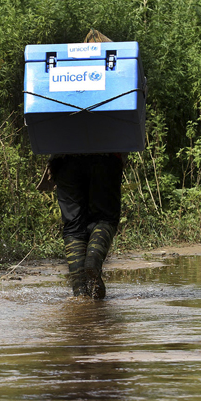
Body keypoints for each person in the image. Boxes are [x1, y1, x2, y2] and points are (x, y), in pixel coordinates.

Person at [48, 29, 126, 299]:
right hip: (105, 158)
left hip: (66, 159)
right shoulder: (118, 71)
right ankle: (92, 266)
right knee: (104, 217)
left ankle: (80, 288)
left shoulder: (59, 71)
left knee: (73, 225)